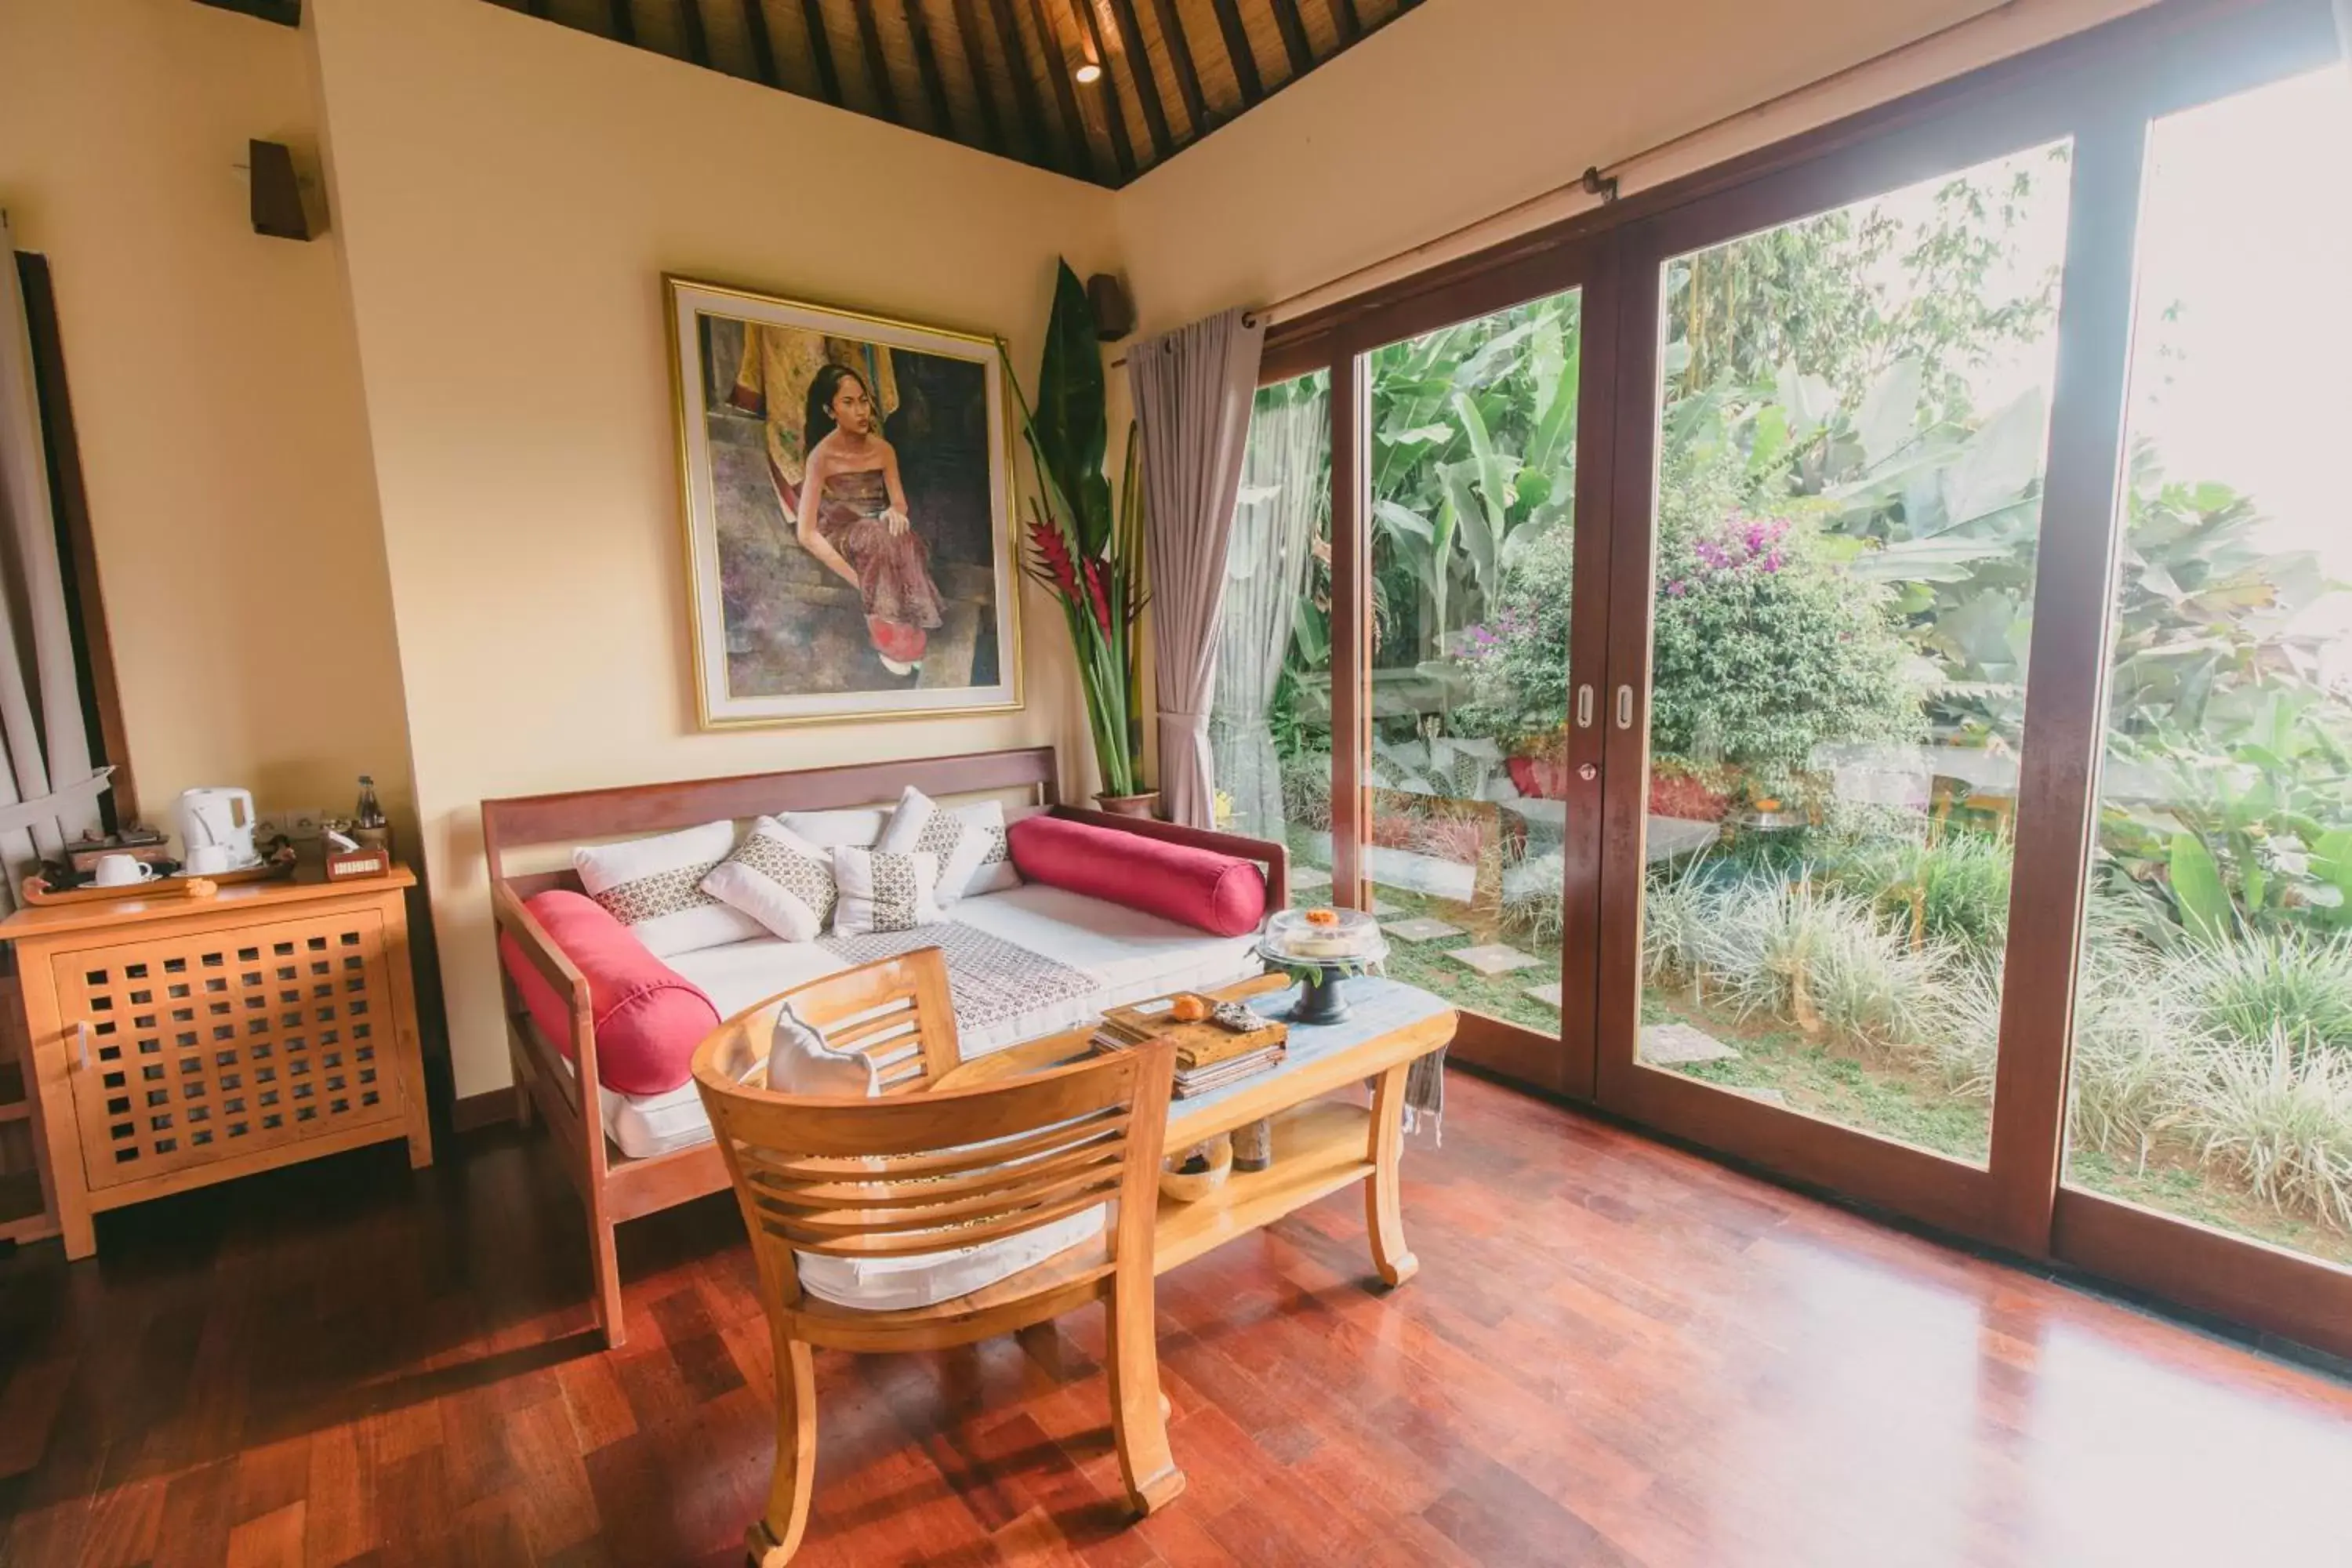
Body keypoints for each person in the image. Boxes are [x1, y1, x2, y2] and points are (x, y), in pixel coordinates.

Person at [794, 364, 944, 675]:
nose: (861, 411)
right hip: (843, 530)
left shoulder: (883, 449)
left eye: (863, 400)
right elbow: (806, 533)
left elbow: (899, 501)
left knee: (904, 538)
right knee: (877, 537)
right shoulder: (820, 457)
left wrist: (895, 511)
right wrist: (858, 580)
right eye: (848, 403)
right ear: (830, 410)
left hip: (878, 527)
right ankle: (890, 641)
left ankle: (911, 639)